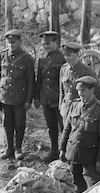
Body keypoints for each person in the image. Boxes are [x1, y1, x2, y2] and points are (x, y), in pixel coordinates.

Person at [58, 76, 100, 193]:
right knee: (76, 184)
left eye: (83, 90)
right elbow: (67, 129)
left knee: (93, 187)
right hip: (74, 153)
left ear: (92, 90)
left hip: (90, 156)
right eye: (78, 90)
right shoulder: (75, 105)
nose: (80, 93)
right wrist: (62, 148)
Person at [0, 29, 35, 160]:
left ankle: (18, 148)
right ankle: (9, 148)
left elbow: (31, 81)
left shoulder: (27, 58)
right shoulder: (2, 55)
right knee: (7, 123)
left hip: (20, 98)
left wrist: (28, 99)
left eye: (14, 42)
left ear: (19, 42)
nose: (11, 45)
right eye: (9, 42)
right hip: (5, 96)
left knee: (20, 123)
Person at [34, 31, 67, 163]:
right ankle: (54, 150)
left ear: (55, 43)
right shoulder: (42, 59)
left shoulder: (62, 58)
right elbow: (39, 80)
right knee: (51, 126)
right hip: (46, 98)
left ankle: (65, 152)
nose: (45, 46)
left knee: (63, 127)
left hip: (60, 99)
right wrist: (36, 97)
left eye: (48, 44)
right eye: (43, 44)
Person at [58, 42, 100, 123]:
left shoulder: (87, 71)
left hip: (80, 113)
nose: (66, 58)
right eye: (65, 55)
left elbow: (99, 93)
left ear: (77, 54)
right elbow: (62, 91)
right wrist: (61, 107)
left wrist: (91, 110)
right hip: (66, 110)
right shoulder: (64, 69)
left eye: (69, 55)